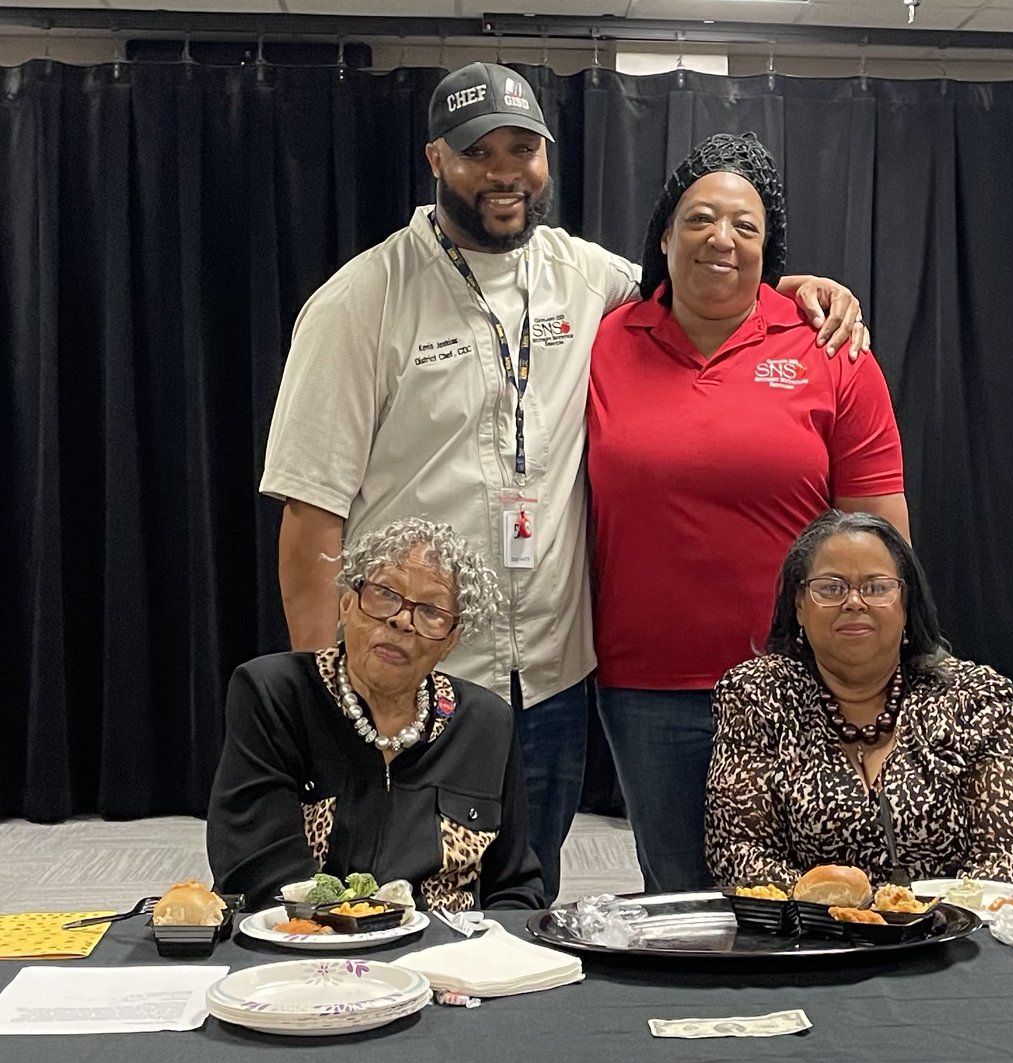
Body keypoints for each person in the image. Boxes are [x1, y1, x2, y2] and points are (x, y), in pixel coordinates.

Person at [260, 63, 869, 901]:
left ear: (547, 158)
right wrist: (334, 697)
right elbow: (311, 517)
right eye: (479, 153)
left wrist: (801, 291)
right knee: (396, 899)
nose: (505, 172)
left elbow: (705, 285)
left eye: (524, 149)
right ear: (437, 159)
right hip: (416, 675)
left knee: (522, 901)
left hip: (549, 679)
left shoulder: (595, 282)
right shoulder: (361, 302)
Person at [586, 133, 907, 892]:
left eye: (745, 225)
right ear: (664, 234)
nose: (719, 239)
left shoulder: (828, 346)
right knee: (684, 899)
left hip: (802, 680)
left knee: (817, 893)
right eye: (698, 219)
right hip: (647, 687)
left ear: (771, 248)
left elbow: (883, 542)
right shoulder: (601, 344)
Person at [207, 517, 544, 912]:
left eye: (431, 612)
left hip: (448, 958)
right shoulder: (276, 694)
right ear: (347, 604)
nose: (402, 620)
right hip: (305, 950)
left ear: (451, 641)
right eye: (385, 594)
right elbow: (259, 874)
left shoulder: (485, 722)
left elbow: (516, 888)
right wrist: (365, 930)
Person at [705, 510, 1013, 889]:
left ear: (906, 604)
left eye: (875, 587)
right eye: (831, 588)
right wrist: (839, 916)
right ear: (799, 606)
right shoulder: (757, 694)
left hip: (957, 934)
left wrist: (935, 921)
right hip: (813, 936)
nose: (854, 602)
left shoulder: (980, 699)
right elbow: (738, 850)